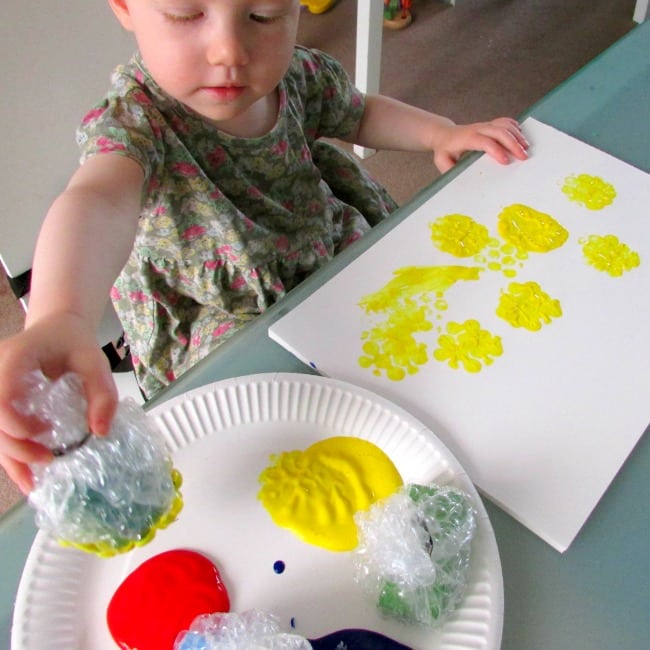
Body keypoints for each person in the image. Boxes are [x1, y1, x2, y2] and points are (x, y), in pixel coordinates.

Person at [0, 0, 528, 494]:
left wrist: (441, 133)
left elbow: (359, 113)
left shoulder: (297, 74)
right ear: (123, 6)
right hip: (225, 317)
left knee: (426, 344)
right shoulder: (138, 123)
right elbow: (96, 201)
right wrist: (59, 315)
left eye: (263, 14)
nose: (230, 50)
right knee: (291, 436)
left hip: (324, 249)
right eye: (186, 14)